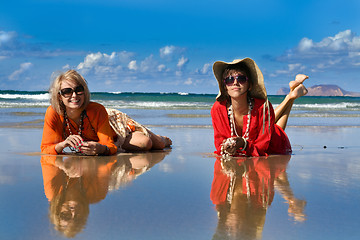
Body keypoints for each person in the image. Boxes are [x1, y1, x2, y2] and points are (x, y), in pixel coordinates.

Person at [41, 70, 172, 155]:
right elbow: (46, 148)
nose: (74, 95)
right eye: (67, 91)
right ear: (59, 96)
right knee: (144, 143)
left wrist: (101, 149)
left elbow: (109, 145)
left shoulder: (97, 110)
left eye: (78, 90)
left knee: (151, 144)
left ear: (84, 92)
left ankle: (162, 139)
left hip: (116, 126)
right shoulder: (53, 113)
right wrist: (62, 144)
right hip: (103, 139)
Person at [211, 58, 308, 157]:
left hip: (272, 143)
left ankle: (291, 97)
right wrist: (227, 147)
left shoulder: (263, 106)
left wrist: (244, 144)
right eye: (229, 79)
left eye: (241, 79)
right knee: (273, 125)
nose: (235, 82)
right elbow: (220, 143)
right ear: (224, 86)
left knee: (278, 130)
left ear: (250, 85)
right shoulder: (218, 108)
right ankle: (292, 95)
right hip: (264, 134)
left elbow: (263, 146)